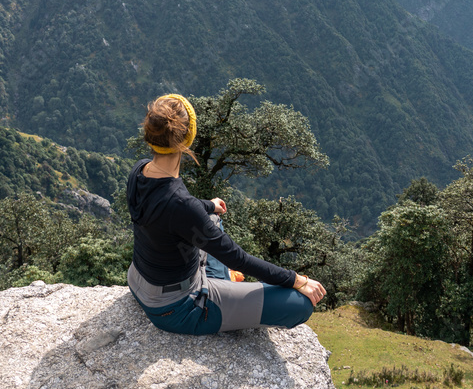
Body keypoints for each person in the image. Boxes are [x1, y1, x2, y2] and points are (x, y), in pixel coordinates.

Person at [126, 93, 327, 335]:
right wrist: (297, 280)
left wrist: (209, 205)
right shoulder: (181, 204)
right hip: (176, 307)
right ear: (187, 138)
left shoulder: (140, 170)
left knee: (212, 218)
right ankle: (222, 288)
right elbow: (237, 258)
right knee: (299, 304)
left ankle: (224, 285)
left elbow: (170, 212)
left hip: (140, 280)